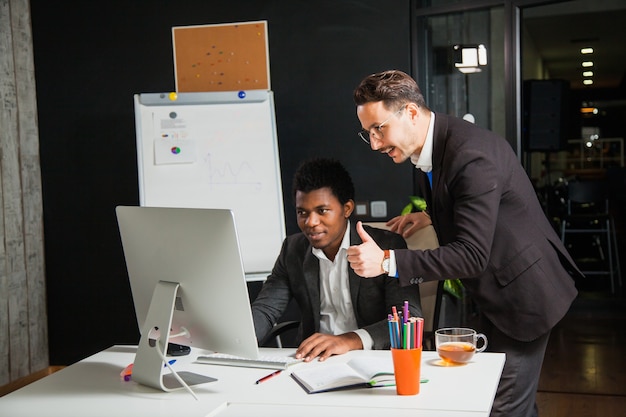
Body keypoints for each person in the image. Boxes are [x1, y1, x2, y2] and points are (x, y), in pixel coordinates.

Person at [346, 70, 582, 417]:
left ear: (410, 112)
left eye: (379, 128)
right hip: (496, 294)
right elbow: (475, 200)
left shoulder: (470, 154)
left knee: (500, 408)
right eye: (368, 133)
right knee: (515, 403)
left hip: (524, 297)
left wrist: (386, 261)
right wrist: (431, 213)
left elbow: (471, 256)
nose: (376, 143)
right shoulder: (436, 144)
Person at [251, 157, 422, 362]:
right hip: (312, 360)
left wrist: (349, 340)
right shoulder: (293, 249)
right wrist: (233, 341)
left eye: (322, 211)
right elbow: (266, 310)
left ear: (347, 208)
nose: (310, 222)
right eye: (302, 212)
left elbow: (407, 318)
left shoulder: (385, 246)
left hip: (371, 359)